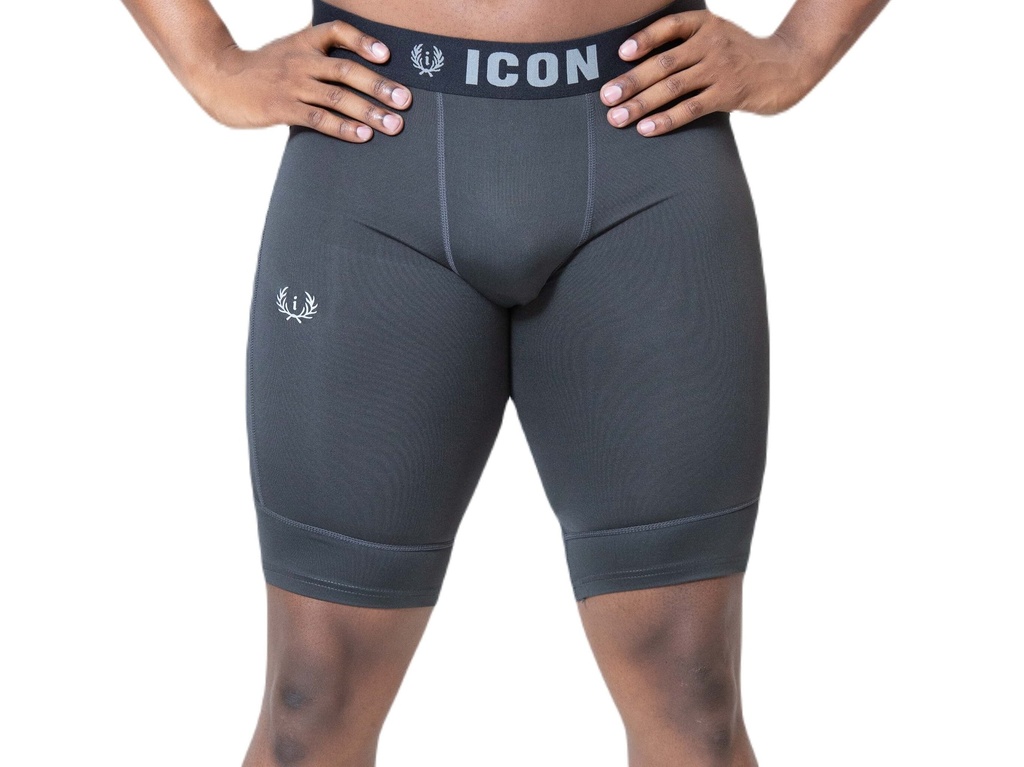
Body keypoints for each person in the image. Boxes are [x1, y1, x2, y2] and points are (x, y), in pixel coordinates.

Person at [122, 0, 888, 764]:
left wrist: (800, 48)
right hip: (373, 147)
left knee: (692, 694)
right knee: (312, 698)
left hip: (646, 141)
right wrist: (208, 61)